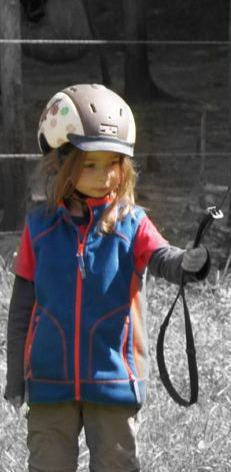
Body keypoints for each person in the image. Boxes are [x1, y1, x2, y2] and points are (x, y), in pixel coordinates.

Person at [3, 83, 211, 471]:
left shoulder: (132, 224)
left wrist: (188, 262)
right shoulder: (38, 228)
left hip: (114, 382)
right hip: (50, 383)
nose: (104, 176)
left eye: (112, 164)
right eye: (90, 164)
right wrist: (16, 377)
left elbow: (164, 258)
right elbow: (21, 311)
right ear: (61, 162)